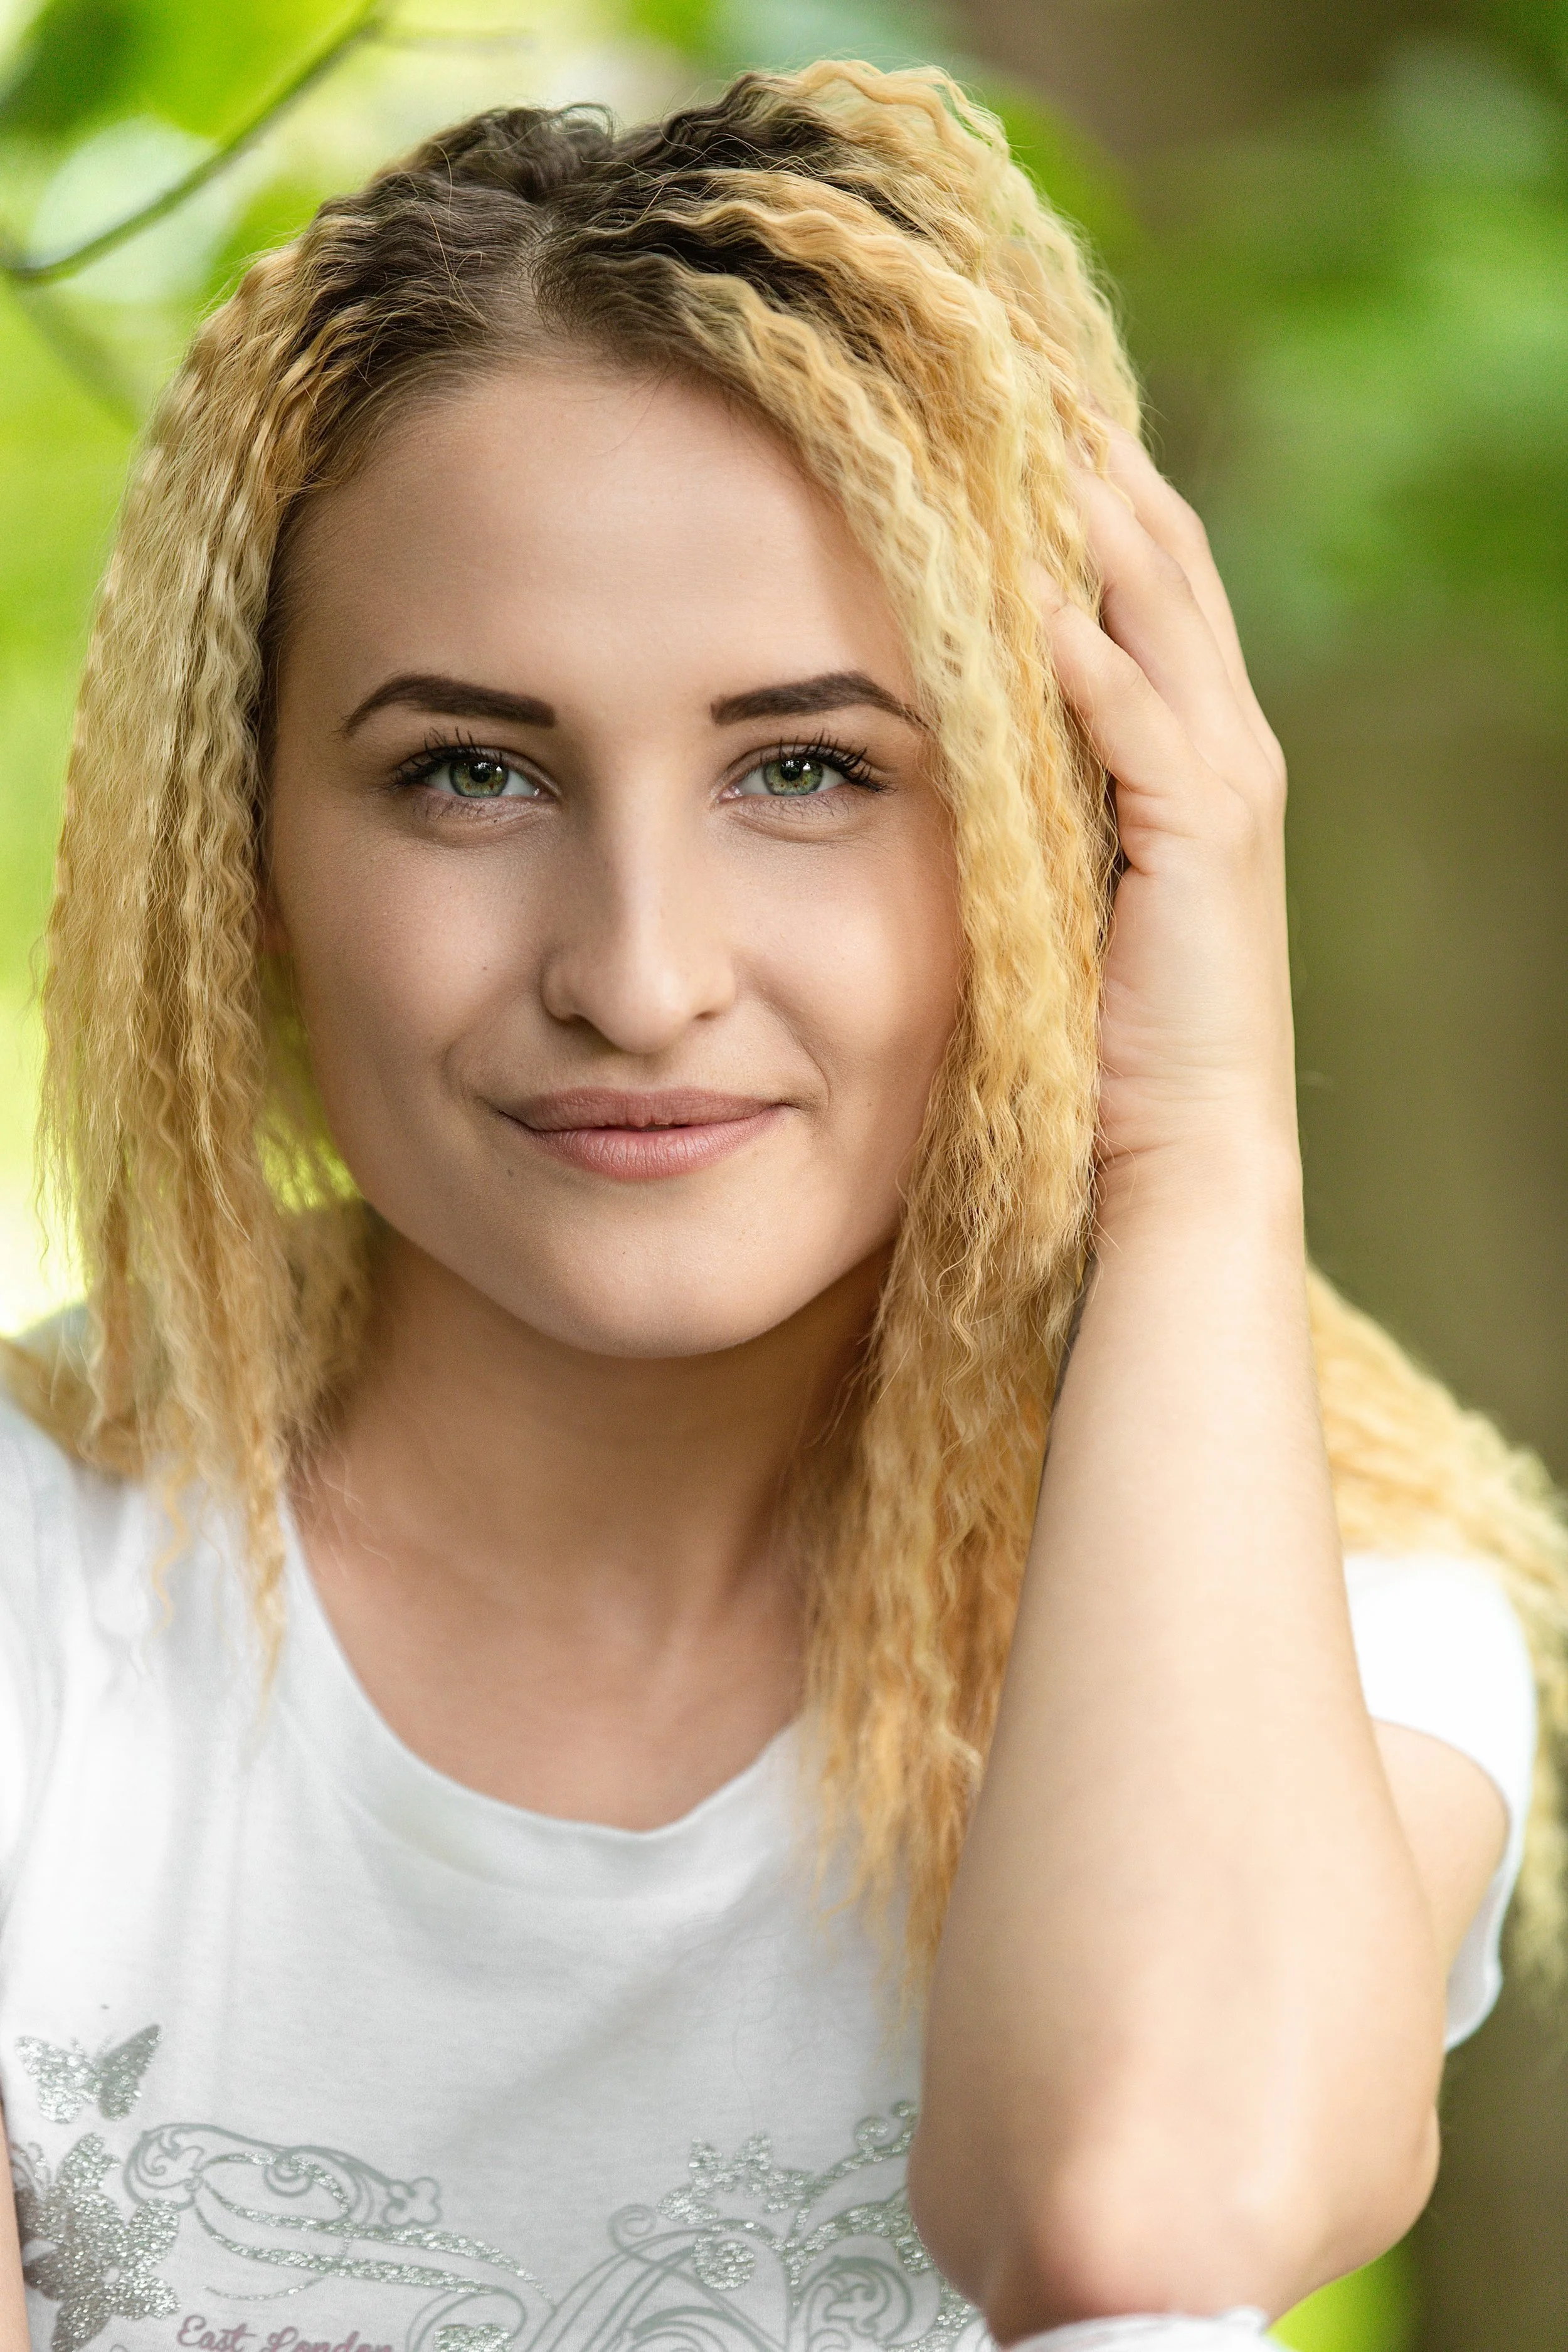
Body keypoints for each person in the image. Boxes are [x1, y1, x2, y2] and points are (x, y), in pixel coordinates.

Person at [0, 60, 1561, 2352]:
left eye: (807, 767)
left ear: (1063, 836)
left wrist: (1200, 1141)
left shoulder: (1314, 1613)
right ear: (240, 862)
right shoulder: (44, 1577)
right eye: (470, 771)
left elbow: (1135, 2209)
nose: (638, 975)